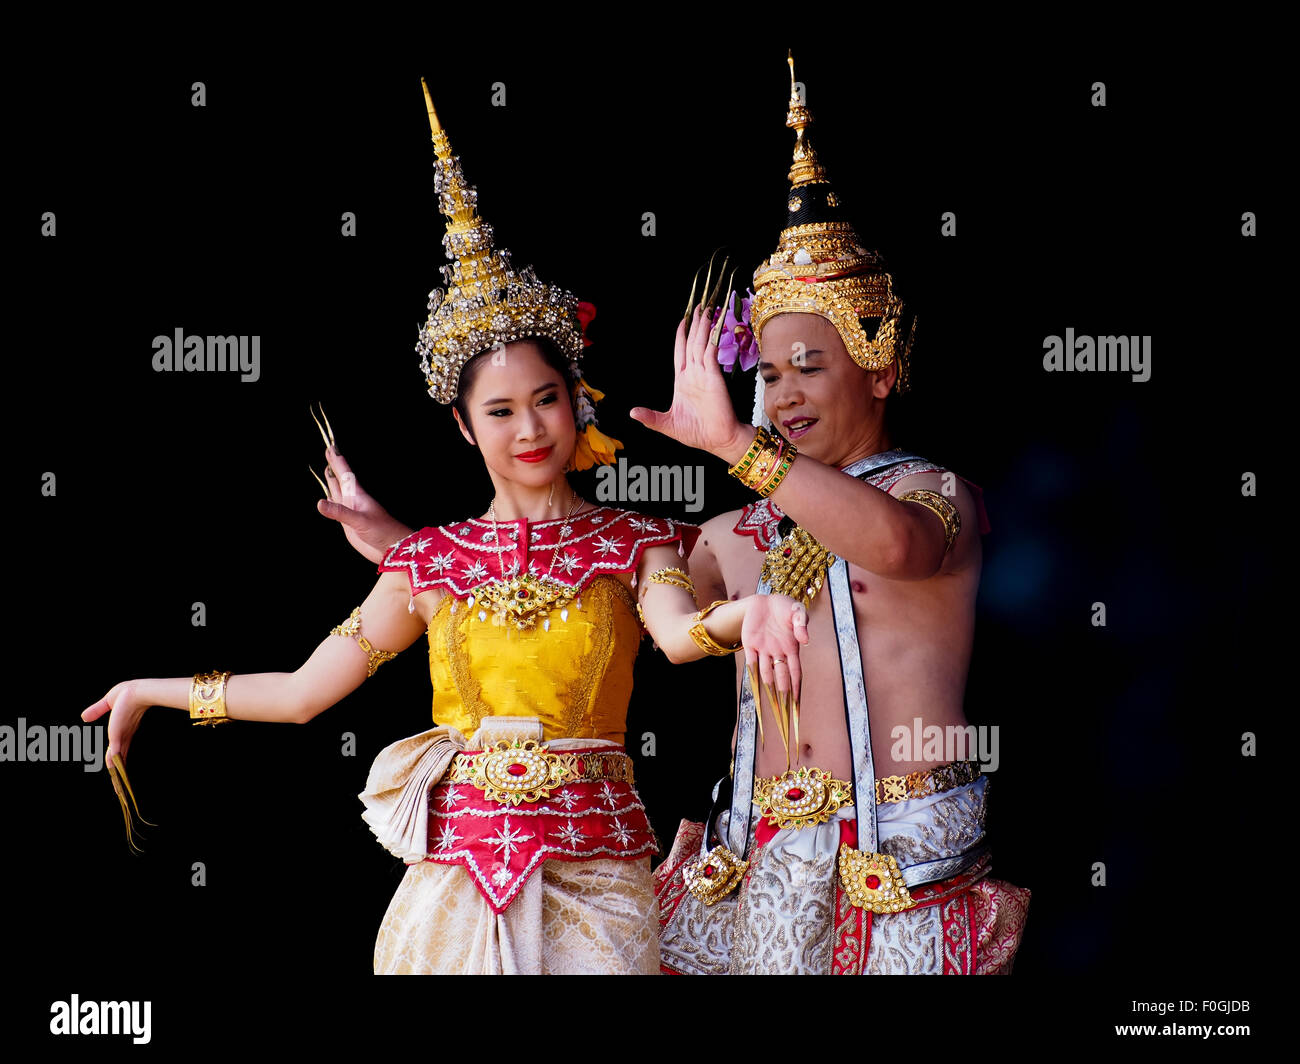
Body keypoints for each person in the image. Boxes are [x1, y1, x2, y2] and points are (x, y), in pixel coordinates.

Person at [80, 82, 810, 975]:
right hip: (452, 890)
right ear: (465, 428)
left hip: (601, 884)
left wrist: (752, 615)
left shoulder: (636, 540)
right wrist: (152, 689)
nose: (532, 428)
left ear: (578, 404)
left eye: (548, 400)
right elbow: (307, 693)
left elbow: (682, 635)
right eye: (501, 411)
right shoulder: (429, 562)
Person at [630, 57, 1032, 974]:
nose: (784, 393)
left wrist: (740, 447)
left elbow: (891, 546)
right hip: (761, 859)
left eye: (810, 365)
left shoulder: (931, 495)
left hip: (902, 857)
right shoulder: (733, 533)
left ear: (881, 369)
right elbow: (666, 624)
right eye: (767, 375)